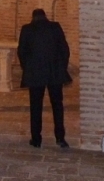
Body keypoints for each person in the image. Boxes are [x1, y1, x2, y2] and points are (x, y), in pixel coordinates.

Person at [18, 8, 71, 149]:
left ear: (33, 17)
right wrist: (61, 68)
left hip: (35, 73)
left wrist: (27, 68)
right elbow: (65, 50)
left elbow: (21, 52)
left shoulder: (27, 29)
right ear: (45, 16)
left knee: (35, 107)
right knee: (57, 106)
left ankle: (36, 139)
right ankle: (60, 138)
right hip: (54, 73)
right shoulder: (55, 27)